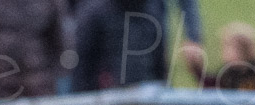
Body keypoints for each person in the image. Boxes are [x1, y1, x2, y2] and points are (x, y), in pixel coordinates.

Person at [72, 0, 206, 92]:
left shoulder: (153, 12)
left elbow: (159, 67)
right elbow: (82, 73)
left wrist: (193, 36)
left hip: (146, 94)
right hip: (104, 99)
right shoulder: (93, 14)